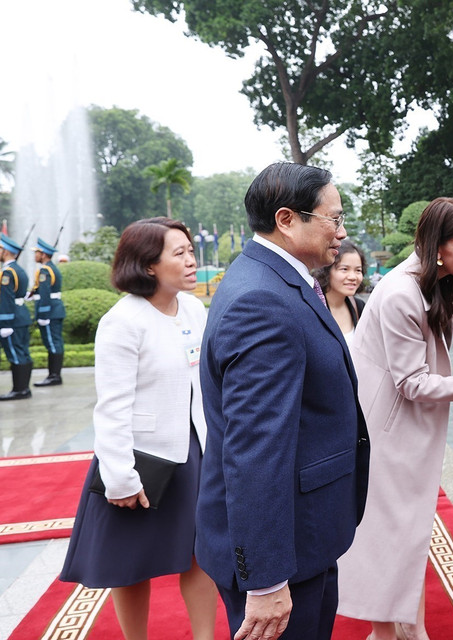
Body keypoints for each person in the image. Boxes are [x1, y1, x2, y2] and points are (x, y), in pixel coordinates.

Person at [337, 197, 453, 640]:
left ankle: (413, 626)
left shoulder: (428, 282)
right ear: (437, 245)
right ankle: (387, 632)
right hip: (388, 436)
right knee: (389, 538)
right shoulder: (403, 292)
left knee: (409, 536)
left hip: (403, 431)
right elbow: (413, 384)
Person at [196, 162, 370, 640]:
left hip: (303, 533)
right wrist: (268, 577)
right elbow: (256, 448)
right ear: (288, 219)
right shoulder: (263, 301)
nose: (342, 231)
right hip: (284, 550)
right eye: (333, 218)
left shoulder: (272, 277)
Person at [59, 217, 218, 640]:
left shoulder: (194, 308)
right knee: (130, 563)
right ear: (149, 265)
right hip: (142, 459)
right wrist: (120, 478)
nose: (191, 261)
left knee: (202, 553)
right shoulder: (122, 321)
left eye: (190, 251)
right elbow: (112, 409)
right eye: (179, 253)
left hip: (195, 452)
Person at [311, 239, 367, 344]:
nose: (353, 277)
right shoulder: (313, 307)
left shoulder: (359, 307)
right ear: (327, 271)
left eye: (358, 270)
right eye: (344, 269)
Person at [0, 233, 34, 401]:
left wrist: (4, 323)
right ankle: (24, 388)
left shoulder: (7, 273)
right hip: (21, 316)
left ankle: (19, 390)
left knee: (15, 353)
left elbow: (6, 299)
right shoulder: (19, 270)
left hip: (11, 318)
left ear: (4, 251)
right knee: (22, 352)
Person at [31, 237, 66, 387]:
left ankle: (54, 376)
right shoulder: (51, 268)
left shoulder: (45, 270)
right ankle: (54, 375)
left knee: (53, 343)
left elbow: (45, 293)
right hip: (54, 309)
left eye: (37, 253)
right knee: (54, 342)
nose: (35, 255)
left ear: (43, 254)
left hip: (50, 311)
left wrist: (43, 314)